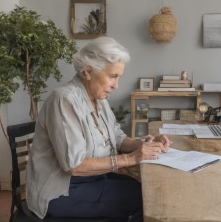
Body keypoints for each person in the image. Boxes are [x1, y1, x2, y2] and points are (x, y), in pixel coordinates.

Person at [26, 36, 171, 221]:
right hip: (62, 190)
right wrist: (132, 158)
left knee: (146, 188)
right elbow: (75, 166)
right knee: (144, 198)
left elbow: (117, 138)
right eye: (112, 76)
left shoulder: (99, 98)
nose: (116, 85)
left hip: (93, 179)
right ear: (88, 71)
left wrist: (144, 144)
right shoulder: (64, 99)